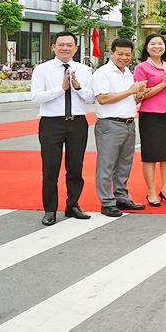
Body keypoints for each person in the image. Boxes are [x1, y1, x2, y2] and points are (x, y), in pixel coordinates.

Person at [30, 31, 95, 226]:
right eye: (61, 45)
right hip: (52, 123)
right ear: (54, 47)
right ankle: (50, 209)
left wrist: (77, 87)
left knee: (75, 167)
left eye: (69, 45)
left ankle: (72, 205)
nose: (65, 48)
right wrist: (62, 88)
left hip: (77, 122)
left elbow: (91, 98)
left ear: (76, 48)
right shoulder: (42, 69)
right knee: (50, 168)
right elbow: (36, 97)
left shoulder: (84, 70)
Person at [92, 38, 147, 217]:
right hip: (110, 124)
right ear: (111, 53)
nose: (124, 57)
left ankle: (121, 196)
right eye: (120, 54)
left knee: (124, 164)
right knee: (106, 164)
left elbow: (127, 99)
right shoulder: (103, 73)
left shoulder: (127, 73)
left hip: (128, 123)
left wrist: (138, 96)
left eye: (128, 54)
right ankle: (107, 202)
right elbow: (102, 98)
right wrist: (130, 91)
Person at [134, 33, 166, 206]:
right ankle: (151, 191)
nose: (157, 47)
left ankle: (165, 189)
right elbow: (142, 94)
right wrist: (163, 83)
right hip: (150, 114)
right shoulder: (141, 68)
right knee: (150, 155)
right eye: (153, 44)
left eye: (160, 43)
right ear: (146, 47)